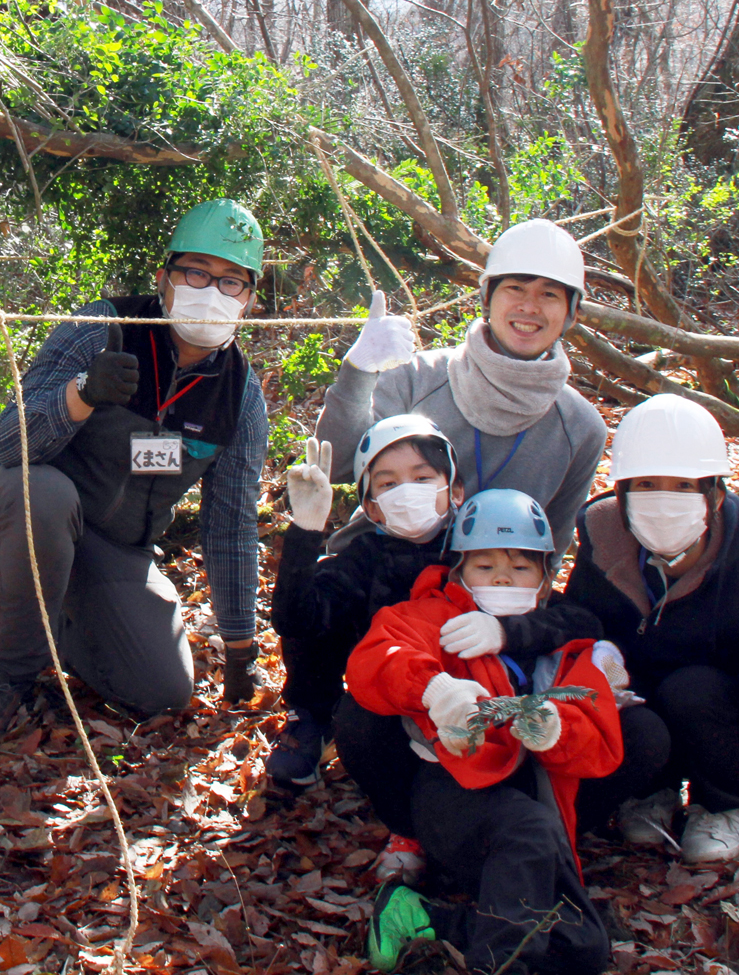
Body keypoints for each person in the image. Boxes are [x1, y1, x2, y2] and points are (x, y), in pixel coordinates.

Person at [269, 221, 608, 828]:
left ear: (570, 311)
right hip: (383, 552)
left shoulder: (579, 426)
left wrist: (525, 628)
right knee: (320, 596)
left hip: (481, 580)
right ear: (487, 296)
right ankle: (313, 716)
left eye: (549, 295)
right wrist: (358, 372)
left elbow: (552, 540)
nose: (529, 308)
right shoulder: (420, 378)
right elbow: (342, 459)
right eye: (515, 289)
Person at [0, 199, 269, 741]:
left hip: (114, 547)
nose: (211, 291)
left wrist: (239, 648)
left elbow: (230, 525)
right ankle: (9, 675)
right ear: (163, 278)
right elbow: (8, 443)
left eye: (230, 281)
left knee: (162, 690)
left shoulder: (238, 396)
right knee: (46, 497)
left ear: (250, 299)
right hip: (16, 499)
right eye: (196, 272)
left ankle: (58, 625)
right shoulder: (103, 329)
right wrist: (81, 394)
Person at [270, 417, 601, 883]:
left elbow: (573, 618)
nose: (408, 491)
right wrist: (305, 531)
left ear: (456, 488)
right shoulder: (364, 558)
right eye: (388, 483)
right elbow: (297, 618)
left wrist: (507, 631)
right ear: (372, 506)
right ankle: (400, 821)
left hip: (485, 699)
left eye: (424, 478)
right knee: (358, 716)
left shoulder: (477, 541)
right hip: (398, 695)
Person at [348, 489, 624, 975]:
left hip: (536, 807)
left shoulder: (566, 649)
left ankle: (420, 919)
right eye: (484, 566)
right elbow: (376, 658)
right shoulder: (431, 617)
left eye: (520, 568)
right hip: (452, 794)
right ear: (457, 572)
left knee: (582, 947)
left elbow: (602, 745)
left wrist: (556, 730)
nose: (501, 577)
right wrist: (434, 688)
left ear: (543, 582)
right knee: (530, 833)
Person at [565, 394, 739, 863]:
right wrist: (594, 652)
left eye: (683, 486)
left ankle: (720, 804)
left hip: (731, 733)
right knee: (628, 686)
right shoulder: (602, 547)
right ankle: (652, 791)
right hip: (650, 722)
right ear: (621, 495)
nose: (663, 501)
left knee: (693, 688)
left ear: (716, 495)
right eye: (645, 484)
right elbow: (578, 628)